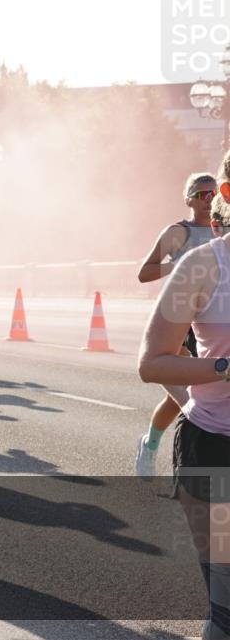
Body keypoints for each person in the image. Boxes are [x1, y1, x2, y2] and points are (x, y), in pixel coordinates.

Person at [137, 152, 230, 640]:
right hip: (214, 445)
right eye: (200, 191)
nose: (202, 197)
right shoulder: (199, 262)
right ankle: (147, 447)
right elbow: (152, 363)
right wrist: (223, 368)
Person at [133, 172, 218, 477]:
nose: (208, 199)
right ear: (188, 199)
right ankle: (183, 473)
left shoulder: (223, 228)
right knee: (191, 405)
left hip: (212, 324)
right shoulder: (177, 233)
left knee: (187, 401)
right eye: (201, 194)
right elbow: (144, 272)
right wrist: (180, 263)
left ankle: (149, 443)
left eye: (213, 193)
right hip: (180, 327)